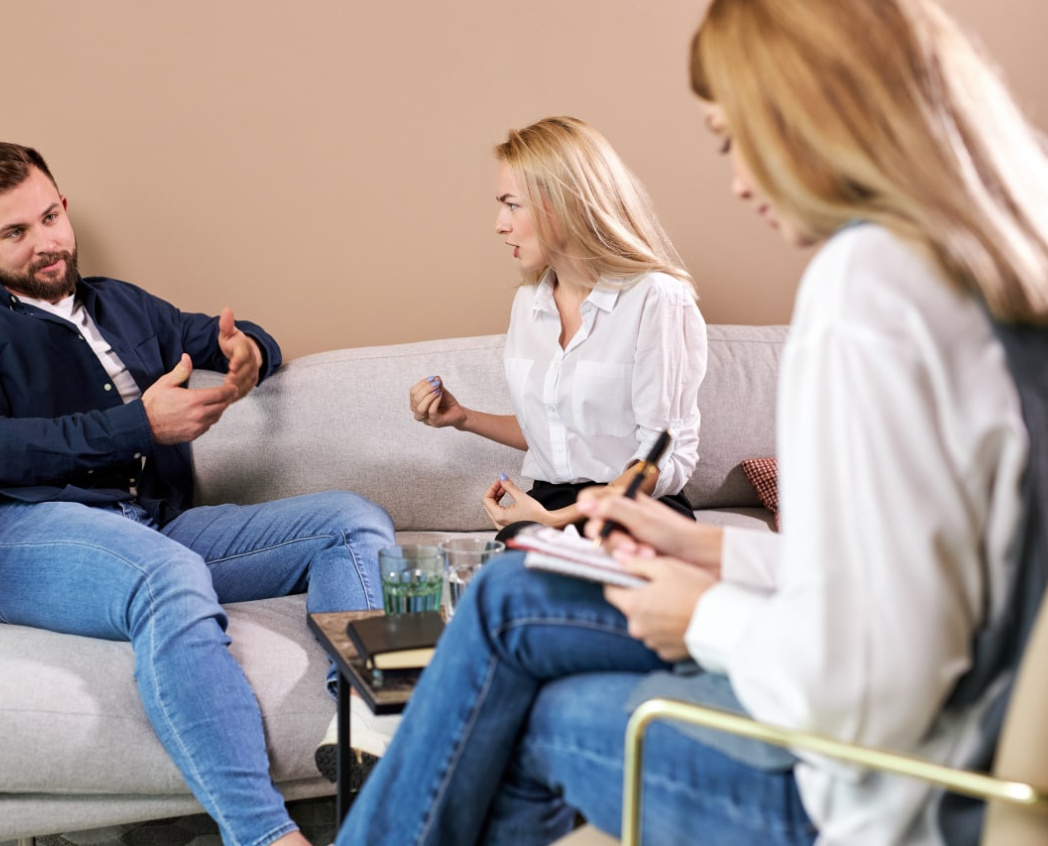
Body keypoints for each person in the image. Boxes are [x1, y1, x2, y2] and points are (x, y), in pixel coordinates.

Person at [337, 0, 1048, 843]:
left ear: (809, 113)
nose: (740, 180)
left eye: (730, 138)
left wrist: (706, 615)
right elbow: (895, 577)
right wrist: (716, 551)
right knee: (510, 610)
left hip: (875, 794)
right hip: (923, 742)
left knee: (520, 657)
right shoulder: (990, 269)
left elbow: (872, 682)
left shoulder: (869, 291)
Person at [0, 142, 397, 846]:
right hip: (28, 533)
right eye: (15, 232)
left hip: (154, 524)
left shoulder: (122, 305)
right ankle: (265, 835)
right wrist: (139, 425)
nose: (45, 242)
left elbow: (223, 338)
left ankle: (369, 730)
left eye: (49, 217)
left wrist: (251, 352)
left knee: (351, 520)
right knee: (168, 575)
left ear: (64, 207)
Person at [409, 116, 706, 541]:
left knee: (550, 577)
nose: (500, 224)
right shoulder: (529, 303)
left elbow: (660, 457)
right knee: (496, 579)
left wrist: (556, 521)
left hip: (634, 512)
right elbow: (557, 431)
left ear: (563, 203)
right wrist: (463, 418)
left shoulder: (656, 297)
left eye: (512, 205)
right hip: (547, 501)